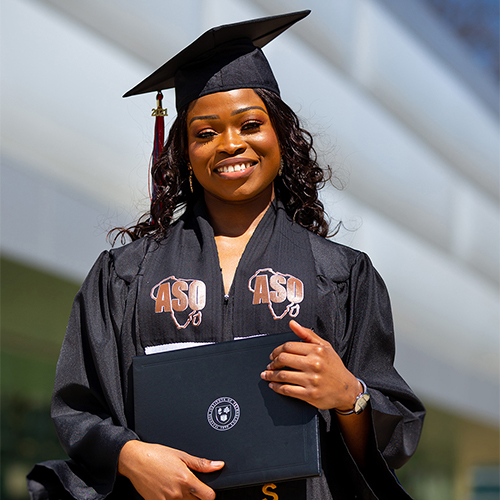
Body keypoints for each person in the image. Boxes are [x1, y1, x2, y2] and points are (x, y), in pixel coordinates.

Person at [27, 10, 425, 500]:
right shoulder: (125, 275)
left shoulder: (342, 274)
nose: (230, 144)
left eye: (250, 124)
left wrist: (349, 396)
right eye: (205, 132)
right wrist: (129, 457)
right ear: (184, 153)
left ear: (281, 137)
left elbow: (391, 439)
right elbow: (77, 408)